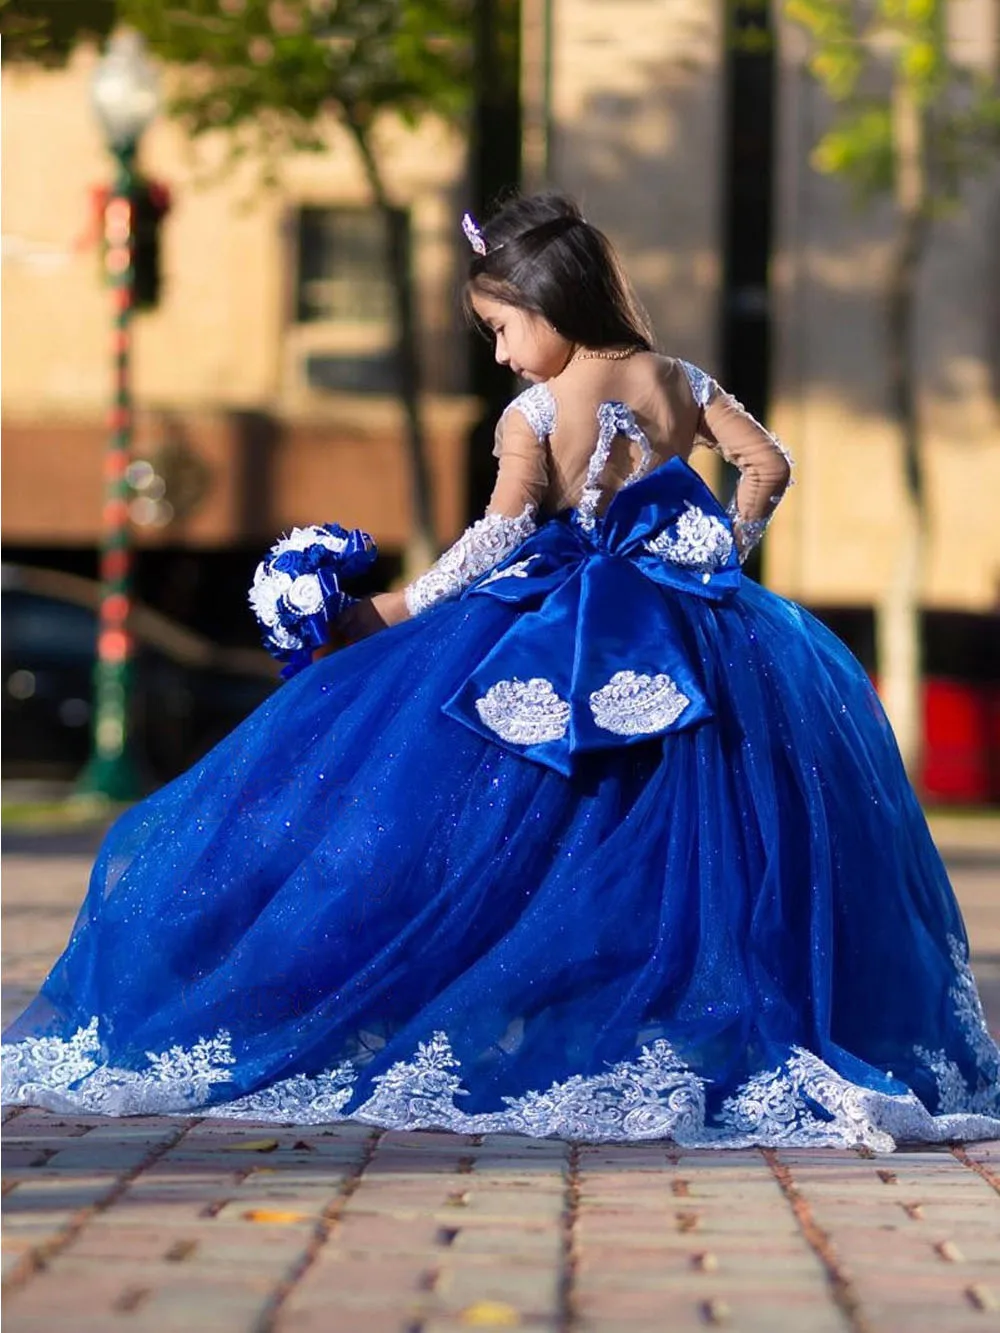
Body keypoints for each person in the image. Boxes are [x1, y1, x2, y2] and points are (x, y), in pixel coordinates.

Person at [4, 193, 998, 1150]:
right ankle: (699, 1015)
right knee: (710, 843)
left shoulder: (531, 415)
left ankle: (537, 1007)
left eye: (499, 327)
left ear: (545, 306)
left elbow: (499, 538)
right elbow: (769, 462)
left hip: (560, 631)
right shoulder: (681, 380)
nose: (498, 351)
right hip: (701, 629)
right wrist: (718, 558)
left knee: (519, 828)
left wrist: (384, 612)